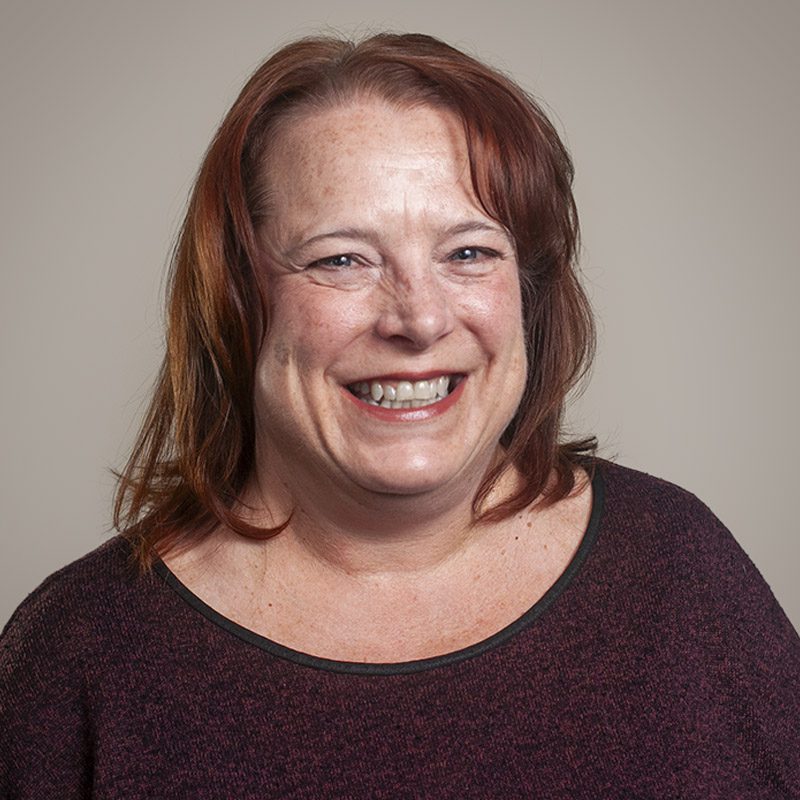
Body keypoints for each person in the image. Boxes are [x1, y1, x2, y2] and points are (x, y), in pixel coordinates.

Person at [1, 32, 798, 798]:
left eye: (468, 252)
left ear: (529, 292)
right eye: (342, 259)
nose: (418, 320)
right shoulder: (81, 653)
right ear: (238, 301)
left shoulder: (679, 577)